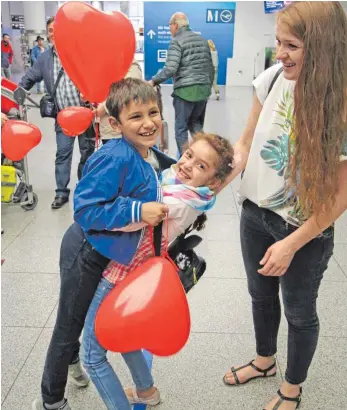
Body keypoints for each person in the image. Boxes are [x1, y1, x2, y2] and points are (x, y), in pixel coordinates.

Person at [220, 2, 347, 410]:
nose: (280, 53)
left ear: (324, 47)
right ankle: (264, 361)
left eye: (291, 45)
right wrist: (217, 174)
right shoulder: (273, 78)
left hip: (303, 228)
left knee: (298, 311)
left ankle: (292, 387)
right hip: (255, 213)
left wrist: (292, 243)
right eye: (277, 41)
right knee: (260, 295)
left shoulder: (341, 104)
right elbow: (245, 143)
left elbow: (340, 195)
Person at [32, 78, 176, 410]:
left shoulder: (145, 151)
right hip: (87, 252)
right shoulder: (116, 156)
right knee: (69, 325)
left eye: (153, 112)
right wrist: (139, 209)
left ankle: (72, 364)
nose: (148, 122)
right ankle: (51, 399)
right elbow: (84, 208)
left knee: (82, 318)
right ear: (115, 124)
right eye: (136, 117)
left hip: (114, 255)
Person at [81, 132, 234, 410]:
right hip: (142, 267)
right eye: (189, 156)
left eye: (201, 166)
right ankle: (146, 391)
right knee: (127, 334)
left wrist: (104, 205)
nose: (187, 165)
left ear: (213, 181)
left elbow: (121, 223)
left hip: (123, 269)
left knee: (92, 355)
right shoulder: (191, 192)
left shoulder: (175, 202)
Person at [19, 17, 95, 210]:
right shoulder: (44, 59)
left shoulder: (80, 53)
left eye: (56, 29)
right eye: (50, 31)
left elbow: (95, 75)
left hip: (85, 114)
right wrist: (17, 92)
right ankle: (61, 193)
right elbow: (29, 78)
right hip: (63, 117)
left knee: (87, 153)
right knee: (63, 154)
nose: (53, 33)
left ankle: (84, 189)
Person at [148, 12, 214, 155]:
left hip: (185, 92)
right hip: (203, 91)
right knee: (195, 124)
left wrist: (153, 81)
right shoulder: (202, 40)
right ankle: (204, 155)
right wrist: (207, 87)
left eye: (170, 26)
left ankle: (185, 159)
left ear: (176, 25)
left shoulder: (176, 41)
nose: (170, 29)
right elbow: (210, 67)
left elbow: (171, 68)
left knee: (181, 128)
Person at [96, 59, 143, 144]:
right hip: (107, 129)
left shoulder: (130, 64)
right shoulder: (104, 64)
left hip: (122, 131)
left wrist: (103, 107)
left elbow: (129, 91)